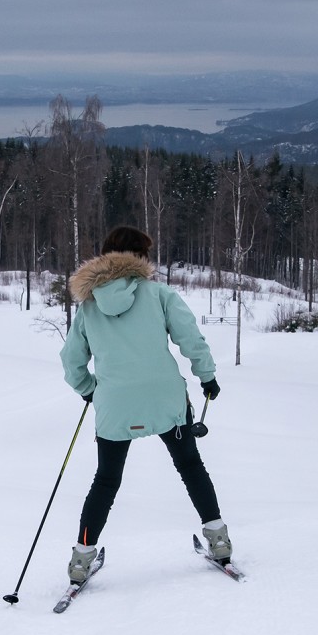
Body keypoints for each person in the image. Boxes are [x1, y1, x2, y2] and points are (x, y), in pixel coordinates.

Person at [59, 226, 229, 584]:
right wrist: (207, 377)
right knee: (190, 466)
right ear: (141, 258)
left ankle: (81, 560)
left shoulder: (89, 306)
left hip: (115, 405)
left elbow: (72, 361)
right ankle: (219, 541)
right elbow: (191, 340)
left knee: (105, 481)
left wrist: (89, 389)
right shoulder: (160, 294)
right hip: (165, 400)